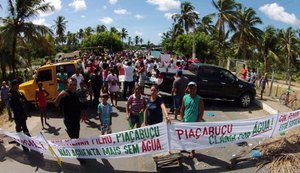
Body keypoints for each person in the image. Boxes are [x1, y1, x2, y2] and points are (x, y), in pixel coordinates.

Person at [55, 78, 85, 164]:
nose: (73, 86)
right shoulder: (65, 94)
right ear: (67, 85)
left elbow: (79, 105)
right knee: (75, 139)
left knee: (76, 137)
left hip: (76, 120)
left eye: (74, 84)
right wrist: (59, 96)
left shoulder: (76, 93)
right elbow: (56, 104)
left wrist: (82, 114)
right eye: (71, 84)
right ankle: (79, 157)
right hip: (69, 121)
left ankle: (76, 148)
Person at [180, 81, 204, 158]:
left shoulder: (199, 99)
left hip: (194, 123)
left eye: (193, 88)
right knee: (184, 136)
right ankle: (184, 148)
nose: (192, 89)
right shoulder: (185, 97)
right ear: (188, 89)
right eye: (190, 88)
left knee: (193, 138)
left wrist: (198, 121)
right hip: (186, 121)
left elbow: (201, 112)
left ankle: (193, 152)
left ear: (196, 89)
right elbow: (182, 109)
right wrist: (181, 118)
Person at [9, 79, 30, 152]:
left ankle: (30, 142)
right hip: (17, 115)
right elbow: (12, 106)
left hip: (22, 113)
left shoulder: (18, 92)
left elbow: (23, 101)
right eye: (17, 85)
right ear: (13, 86)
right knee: (19, 130)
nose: (18, 86)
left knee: (25, 128)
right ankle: (24, 146)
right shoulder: (10, 94)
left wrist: (26, 112)